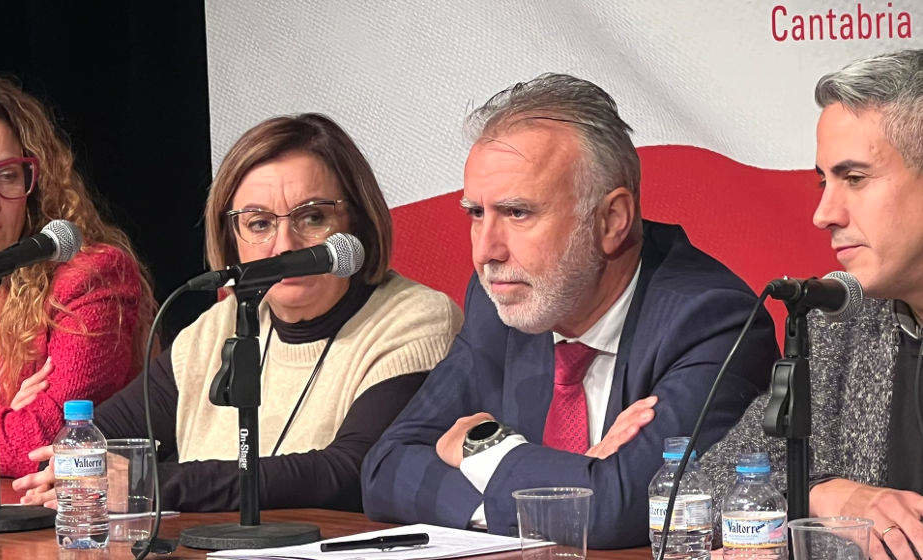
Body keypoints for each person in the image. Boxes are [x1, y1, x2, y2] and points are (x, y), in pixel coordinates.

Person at [361, 73, 779, 547]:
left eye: (517, 213)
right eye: (476, 213)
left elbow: (620, 510)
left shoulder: (713, 320)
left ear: (612, 220)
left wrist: (486, 449)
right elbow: (384, 468)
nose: (486, 251)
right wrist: (564, 485)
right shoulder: (503, 303)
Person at [14, 113, 463, 512]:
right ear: (233, 241)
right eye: (260, 223)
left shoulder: (415, 319)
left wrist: (148, 483)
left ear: (358, 225)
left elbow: (350, 471)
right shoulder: (218, 327)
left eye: (311, 218)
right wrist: (73, 459)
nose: (285, 245)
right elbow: (99, 433)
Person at [700, 49, 923, 560]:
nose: (824, 213)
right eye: (824, 181)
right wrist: (824, 492)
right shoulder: (843, 320)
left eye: (855, 178)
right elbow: (696, 487)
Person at [0, 73, 157, 477]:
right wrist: (3, 419)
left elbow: (46, 442)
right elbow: (9, 439)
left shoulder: (91, 278)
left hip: (70, 524)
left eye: (7, 175)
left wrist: (1, 429)